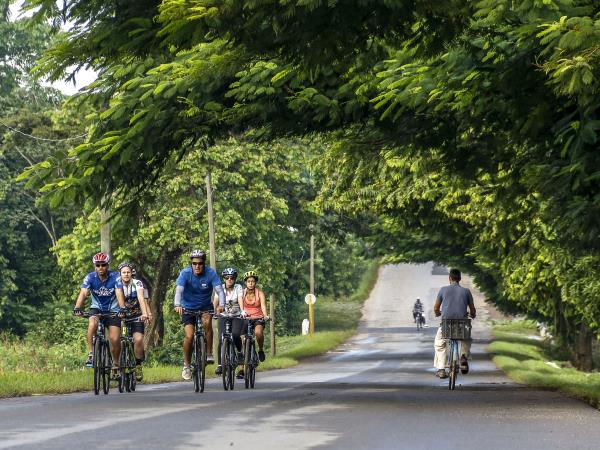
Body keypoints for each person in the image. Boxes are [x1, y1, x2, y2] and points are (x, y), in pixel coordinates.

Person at [73, 252, 126, 379]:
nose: (101, 267)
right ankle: (91, 353)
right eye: (98, 265)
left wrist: (122, 308)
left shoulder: (116, 277)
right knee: (92, 323)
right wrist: (77, 308)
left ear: (108, 265)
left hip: (113, 310)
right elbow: (83, 293)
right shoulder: (90, 277)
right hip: (96, 309)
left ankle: (116, 363)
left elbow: (119, 292)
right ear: (94, 266)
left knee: (114, 339)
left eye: (103, 265)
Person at [174, 249, 225, 381]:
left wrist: (222, 305)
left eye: (200, 263)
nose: (197, 266)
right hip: (188, 308)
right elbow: (179, 290)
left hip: (205, 307)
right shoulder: (185, 273)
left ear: (204, 263)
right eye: (194, 263)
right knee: (189, 336)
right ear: (191, 263)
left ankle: (208, 353)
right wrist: (177, 304)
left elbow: (220, 290)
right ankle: (186, 365)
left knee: (207, 322)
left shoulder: (210, 273)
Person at [433, 268, 476, 379]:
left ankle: (441, 369)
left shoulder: (443, 290)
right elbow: (472, 309)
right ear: (460, 279)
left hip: (446, 324)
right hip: (462, 324)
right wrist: (473, 314)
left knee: (439, 343)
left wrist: (438, 313)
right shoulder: (466, 291)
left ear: (449, 278)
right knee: (466, 339)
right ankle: (463, 357)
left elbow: (436, 308)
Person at [116, 262, 152, 381]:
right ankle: (118, 364)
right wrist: (120, 312)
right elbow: (117, 297)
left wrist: (145, 314)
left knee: (138, 339)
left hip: (137, 315)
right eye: (124, 272)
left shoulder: (137, 283)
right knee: (120, 340)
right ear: (120, 274)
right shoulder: (117, 283)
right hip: (123, 316)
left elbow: (141, 298)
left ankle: (137, 365)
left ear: (131, 273)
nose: (126, 274)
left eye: (128, 272)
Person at [238, 270, 269, 379]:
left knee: (258, 333)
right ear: (245, 283)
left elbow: (263, 306)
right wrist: (242, 312)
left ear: (255, 282)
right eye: (248, 281)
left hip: (258, 317)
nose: (251, 283)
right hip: (246, 318)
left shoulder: (259, 293)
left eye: (253, 281)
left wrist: (265, 315)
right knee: (242, 340)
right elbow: (241, 304)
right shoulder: (242, 292)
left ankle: (260, 349)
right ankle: (241, 369)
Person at [213, 267, 244, 376]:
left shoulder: (238, 287)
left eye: (232, 277)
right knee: (222, 338)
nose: (229, 279)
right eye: (227, 277)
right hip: (223, 315)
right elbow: (216, 301)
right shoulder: (219, 288)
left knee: (235, 335)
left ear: (235, 279)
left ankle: (240, 353)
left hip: (236, 315)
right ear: (224, 279)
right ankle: (220, 365)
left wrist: (243, 310)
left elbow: (240, 299)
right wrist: (212, 312)